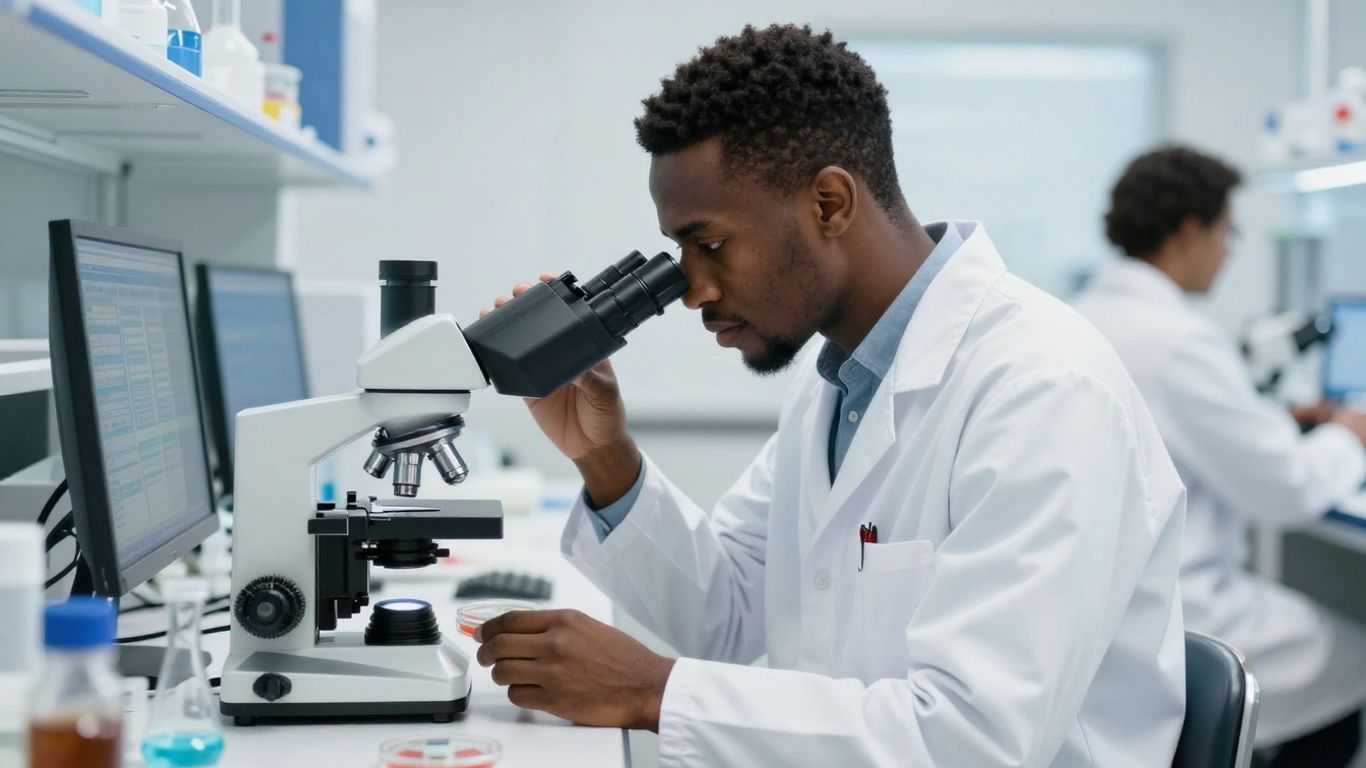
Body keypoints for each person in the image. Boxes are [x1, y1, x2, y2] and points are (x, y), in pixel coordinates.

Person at [475, 24, 1187, 767]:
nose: (694, 292)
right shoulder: (842, 385)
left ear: (829, 204)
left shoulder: (1041, 390)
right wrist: (605, 457)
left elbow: (974, 741)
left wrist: (655, 692)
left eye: (710, 245)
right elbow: (732, 615)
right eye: (679, 255)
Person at [1073, 145, 1366, 767]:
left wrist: (1278, 420)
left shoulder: (1086, 315)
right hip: (1183, 610)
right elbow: (1286, 489)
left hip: (1099, 611)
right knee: (1356, 659)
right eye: (1228, 233)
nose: (1230, 252)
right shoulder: (1179, 340)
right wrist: (1351, 437)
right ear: (1189, 230)